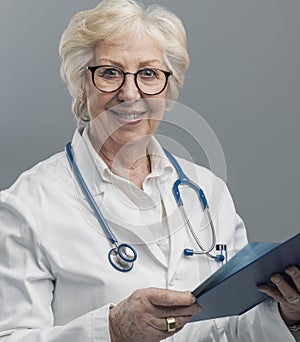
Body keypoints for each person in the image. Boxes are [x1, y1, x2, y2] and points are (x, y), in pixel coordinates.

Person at [0, 0, 299, 341]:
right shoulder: (24, 207)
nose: (130, 93)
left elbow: (234, 327)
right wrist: (112, 330)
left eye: (149, 74)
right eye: (110, 72)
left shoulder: (208, 191)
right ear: (82, 85)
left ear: (168, 88)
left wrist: (286, 313)